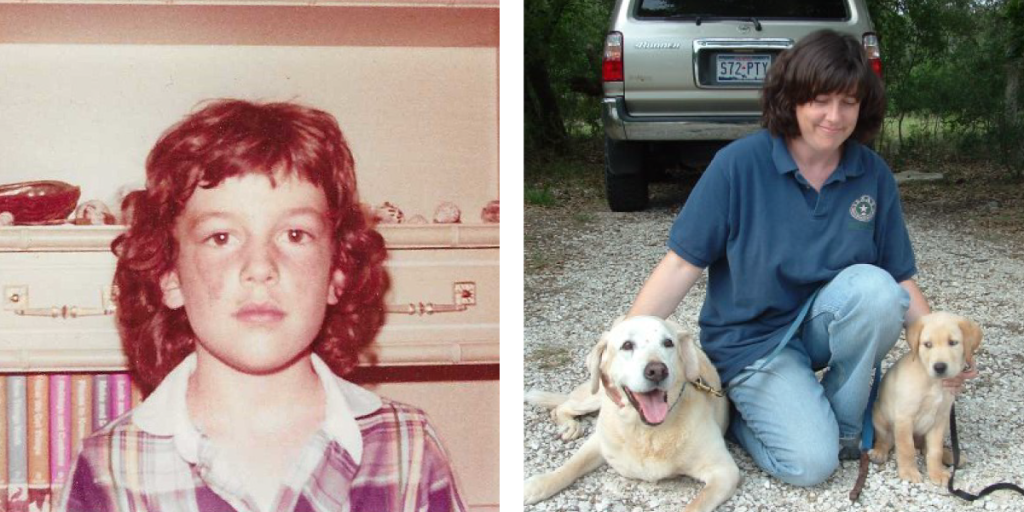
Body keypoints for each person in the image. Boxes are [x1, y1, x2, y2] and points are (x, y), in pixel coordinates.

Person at [56, 99, 467, 512]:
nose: (260, 268)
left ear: (337, 272)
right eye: (221, 237)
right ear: (170, 276)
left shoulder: (407, 451)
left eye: (294, 235)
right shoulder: (108, 469)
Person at [626, 30, 977, 487]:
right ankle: (738, 413)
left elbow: (899, 279)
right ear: (792, 99)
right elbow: (680, 265)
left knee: (876, 291)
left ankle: (847, 428)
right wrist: (626, 348)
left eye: (849, 102)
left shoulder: (872, 174)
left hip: (819, 328)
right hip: (751, 342)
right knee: (811, 464)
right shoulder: (737, 166)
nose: (835, 117)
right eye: (821, 100)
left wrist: (946, 345)